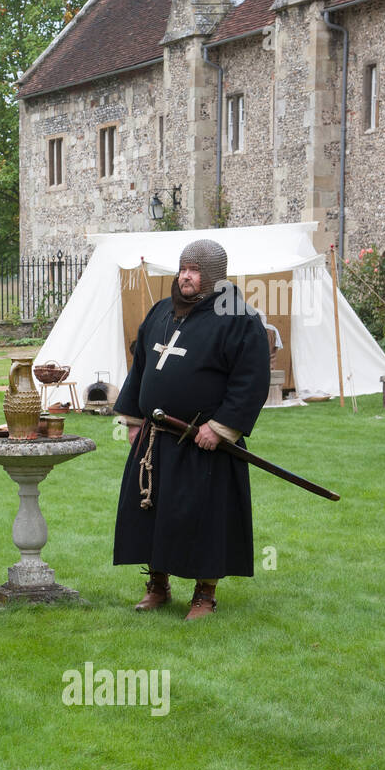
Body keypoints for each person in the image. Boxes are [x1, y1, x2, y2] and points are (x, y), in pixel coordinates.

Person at [112, 238, 271, 620]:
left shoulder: (239, 319)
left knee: (204, 518)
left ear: (214, 275)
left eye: (195, 270)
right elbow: (141, 367)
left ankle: (204, 594)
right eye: (183, 268)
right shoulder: (162, 311)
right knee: (151, 514)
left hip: (204, 444)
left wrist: (220, 427)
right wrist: (134, 418)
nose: (186, 276)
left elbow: (251, 380)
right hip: (156, 439)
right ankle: (158, 585)